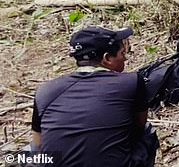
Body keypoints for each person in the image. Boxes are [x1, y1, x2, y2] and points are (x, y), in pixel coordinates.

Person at [31, 27, 158, 167]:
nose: (125, 58)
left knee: (30, 151)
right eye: (122, 53)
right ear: (107, 58)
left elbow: (38, 143)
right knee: (147, 132)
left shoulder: (45, 91)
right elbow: (138, 126)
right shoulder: (131, 82)